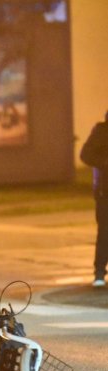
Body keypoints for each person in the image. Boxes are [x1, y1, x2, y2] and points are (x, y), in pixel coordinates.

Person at [79, 110, 108, 287]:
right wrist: (104, 162)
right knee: (105, 232)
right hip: (105, 192)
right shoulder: (102, 132)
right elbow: (86, 155)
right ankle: (99, 272)